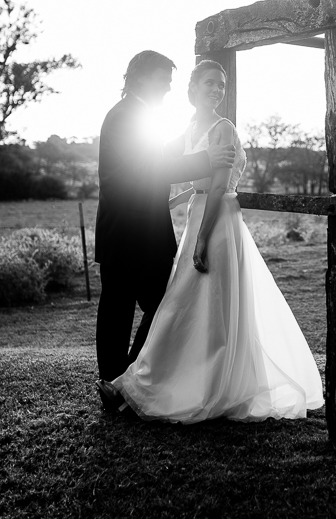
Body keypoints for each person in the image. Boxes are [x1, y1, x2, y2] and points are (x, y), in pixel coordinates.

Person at [109, 59, 324, 423]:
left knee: (198, 305)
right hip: (198, 215)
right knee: (184, 306)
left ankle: (201, 385)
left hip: (218, 222)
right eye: (209, 83)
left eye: (221, 85)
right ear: (192, 90)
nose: (216, 90)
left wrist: (201, 240)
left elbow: (220, 187)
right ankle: (145, 381)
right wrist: (173, 200)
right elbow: (176, 170)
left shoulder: (223, 129)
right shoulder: (191, 127)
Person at [93, 50, 235, 412]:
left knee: (161, 306)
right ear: (141, 78)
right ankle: (116, 384)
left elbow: (168, 154)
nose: (169, 88)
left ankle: (124, 383)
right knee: (121, 312)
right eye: (164, 80)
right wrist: (206, 160)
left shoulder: (141, 116)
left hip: (147, 235)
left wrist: (199, 139)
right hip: (126, 233)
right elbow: (148, 168)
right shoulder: (125, 116)